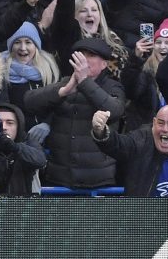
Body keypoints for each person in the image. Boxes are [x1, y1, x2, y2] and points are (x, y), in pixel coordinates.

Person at [25, 38, 126, 188]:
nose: (84, 60)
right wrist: (62, 92)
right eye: (81, 55)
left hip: (98, 180)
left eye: (91, 55)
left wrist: (85, 82)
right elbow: (29, 102)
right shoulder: (66, 82)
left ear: (104, 64)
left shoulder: (113, 86)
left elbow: (114, 110)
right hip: (59, 179)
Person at [92, 105, 168, 197]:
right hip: (142, 210)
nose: (165, 129)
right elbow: (119, 144)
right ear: (154, 123)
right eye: (160, 123)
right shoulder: (142, 139)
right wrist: (101, 132)